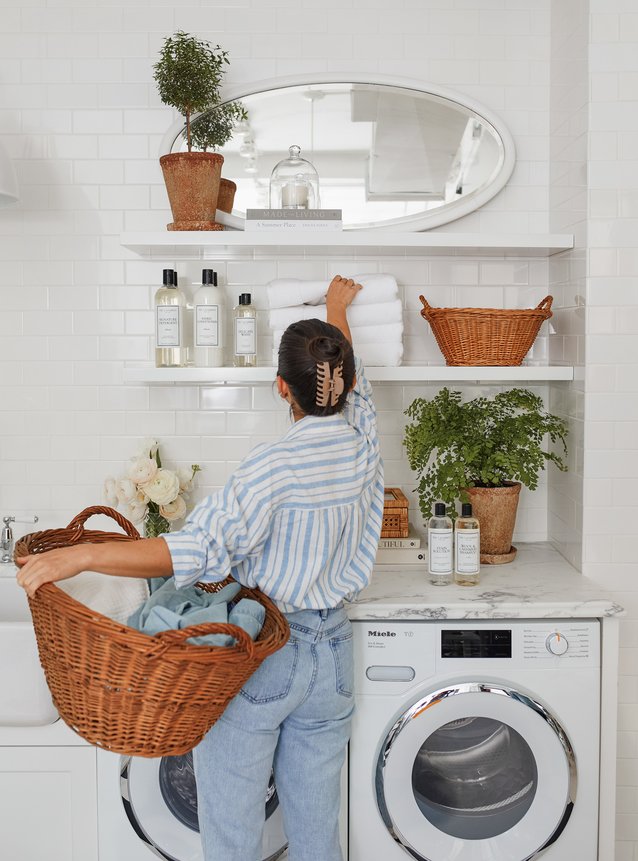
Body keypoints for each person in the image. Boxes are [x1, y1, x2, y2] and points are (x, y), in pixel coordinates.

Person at [16, 275, 384, 861]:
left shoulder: (271, 466)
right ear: (347, 384)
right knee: (318, 835)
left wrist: (79, 553)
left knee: (233, 833)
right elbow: (353, 383)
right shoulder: (362, 443)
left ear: (281, 390)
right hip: (334, 654)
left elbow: (187, 550)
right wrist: (338, 308)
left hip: (271, 653)